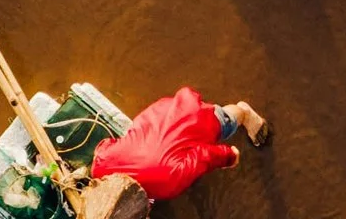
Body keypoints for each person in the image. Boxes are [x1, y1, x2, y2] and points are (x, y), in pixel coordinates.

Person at [87, 87, 268, 202]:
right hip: (161, 113)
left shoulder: (168, 182)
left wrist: (229, 156)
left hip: (194, 118)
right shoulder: (100, 165)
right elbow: (107, 143)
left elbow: (203, 155)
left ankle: (244, 113)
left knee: (225, 120)